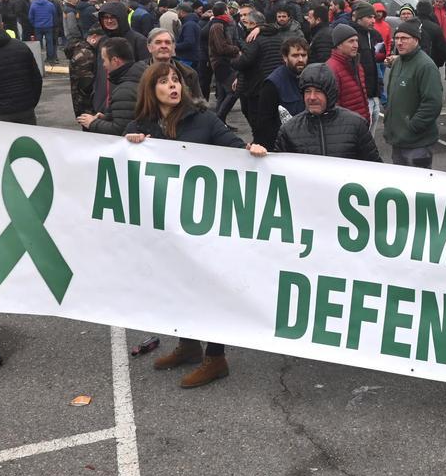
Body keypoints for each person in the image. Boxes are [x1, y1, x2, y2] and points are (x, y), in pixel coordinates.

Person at [124, 62, 268, 388]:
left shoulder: (202, 119)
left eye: (176, 81)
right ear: (152, 89)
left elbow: (231, 145)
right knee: (176, 287)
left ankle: (215, 358)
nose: (173, 86)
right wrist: (127, 142)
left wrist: (249, 150)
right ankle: (188, 345)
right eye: (164, 82)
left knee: (208, 289)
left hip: (203, 225)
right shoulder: (142, 126)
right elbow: (118, 158)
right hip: (165, 227)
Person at [273, 63, 382, 162]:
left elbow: (376, 169)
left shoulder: (356, 125)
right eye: (307, 91)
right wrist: (259, 157)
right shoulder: (289, 130)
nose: (312, 97)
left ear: (330, 93)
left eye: (318, 91)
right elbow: (277, 170)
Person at [383, 21, 443, 168]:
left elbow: (432, 103)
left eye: (404, 38)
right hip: (398, 140)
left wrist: (412, 127)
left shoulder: (426, 66)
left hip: (417, 144)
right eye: (396, 38)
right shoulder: (398, 63)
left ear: (416, 40)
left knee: (417, 186)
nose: (399, 42)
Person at [79, 37, 145, 135]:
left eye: (104, 60)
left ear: (115, 60)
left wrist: (93, 123)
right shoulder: (138, 75)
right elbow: (129, 117)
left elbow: (121, 130)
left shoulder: (124, 90)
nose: (103, 65)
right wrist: (107, 117)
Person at [254, 37, 309, 148]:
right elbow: (265, 124)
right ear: (285, 57)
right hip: (283, 147)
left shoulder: (310, 78)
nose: (300, 59)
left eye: (303, 55)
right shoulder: (273, 83)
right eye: (295, 55)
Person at [326, 24, 371, 123]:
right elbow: (333, 106)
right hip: (347, 128)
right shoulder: (331, 69)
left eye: (356, 41)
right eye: (351, 41)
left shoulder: (356, 64)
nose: (356, 45)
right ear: (339, 44)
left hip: (361, 124)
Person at [206, 1, 242, 121]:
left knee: (222, 95)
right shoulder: (217, 26)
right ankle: (220, 118)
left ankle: (220, 123)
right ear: (224, 11)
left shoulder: (223, 23)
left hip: (223, 62)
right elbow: (221, 48)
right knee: (233, 91)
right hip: (221, 63)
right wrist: (237, 50)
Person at [147, 28, 202, 101]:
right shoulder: (136, 73)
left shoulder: (189, 74)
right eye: (158, 42)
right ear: (149, 47)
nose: (163, 46)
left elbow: (199, 105)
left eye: (167, 42)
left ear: (173, 47)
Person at [67, 27, 105, 118]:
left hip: (82, 103)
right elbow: (86, 85)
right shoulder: (86, 55)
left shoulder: (82, 49)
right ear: (94, 37)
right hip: (88, 106)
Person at [28, 0, 59, 64]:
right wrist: (53, 24)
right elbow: (54, 15)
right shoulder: (50, 4)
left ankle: (38, 58)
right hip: (48, 26)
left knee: (38, 43)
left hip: (37, 27)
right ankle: (50, 58)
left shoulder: (33, 4)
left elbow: (30, 16)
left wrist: (33, 23)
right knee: (49, 43)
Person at [174, 2, 201, 69]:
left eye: (177, 11)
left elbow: (189, 42)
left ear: (181, 12)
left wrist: (174, 46)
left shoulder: (189, 25)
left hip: (188, 59)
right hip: (191, 58)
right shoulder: (191, 23)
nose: (176, 13)